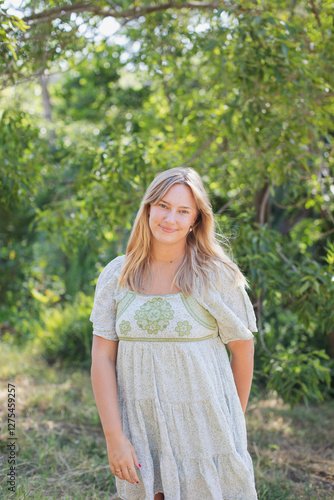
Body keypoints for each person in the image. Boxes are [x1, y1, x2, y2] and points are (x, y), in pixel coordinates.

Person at [90, 166, 258, 500]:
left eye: (183, 211)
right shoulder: (116, 275)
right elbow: (102, 357)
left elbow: (242, 351)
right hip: (141, 427)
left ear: (196, 220)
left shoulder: (216, 277)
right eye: (163, 206)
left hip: (205, 428)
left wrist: (231, 425)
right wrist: (114, 436)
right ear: (148, 208)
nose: (171, 218)